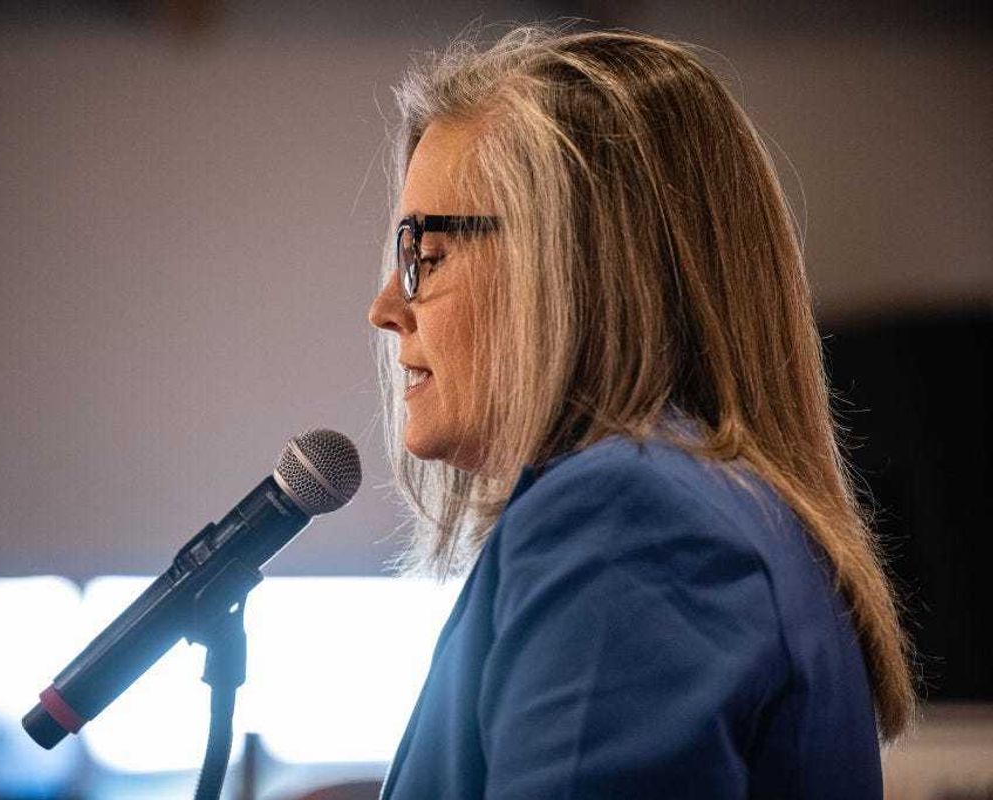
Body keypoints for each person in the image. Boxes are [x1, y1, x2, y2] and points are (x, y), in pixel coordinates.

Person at [366, 25, 915, 799]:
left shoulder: (626, 520)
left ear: (571, 260)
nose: (387, 307)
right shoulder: (710, 508)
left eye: (423, 253)